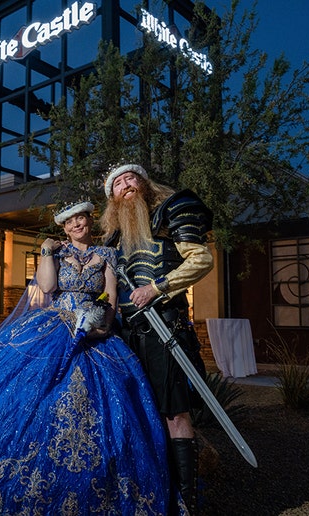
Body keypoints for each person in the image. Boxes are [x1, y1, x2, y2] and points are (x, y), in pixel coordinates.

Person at [0, 201, 181, 514]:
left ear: (89, 221)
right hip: (55, 323)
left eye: (81, 218)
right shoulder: (57, 251)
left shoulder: (107, 254)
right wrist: (47, 252)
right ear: (64, 228)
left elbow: (110, 297)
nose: (77, 224)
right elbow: (49, 287)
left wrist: (101, 325)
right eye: (70, 221)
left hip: (93, 327)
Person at [101, 163, 214, 512]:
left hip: (167, 329)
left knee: (175, 414)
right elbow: (107, 292)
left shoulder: (170, 213)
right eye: (117, 183)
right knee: (137, 412)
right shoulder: (112, 241)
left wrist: (158, 287)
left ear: (144, 183)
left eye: (130, 178)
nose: (126, 185)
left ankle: (186, 502)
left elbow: (202, 258)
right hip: (126, 336)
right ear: (112, 198)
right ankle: (153, 491)